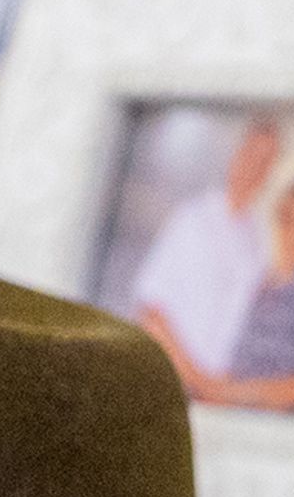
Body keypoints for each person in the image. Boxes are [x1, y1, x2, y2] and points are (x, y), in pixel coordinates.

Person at [118, 113, 283, 386]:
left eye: (266, 160)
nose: (256, 166)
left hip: (218, 396)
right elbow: (150, 308)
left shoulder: (259, 240)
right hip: (167, 380)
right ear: (238, 154)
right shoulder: (192, 218)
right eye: (253, 153)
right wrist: (194, 378)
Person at [205, 177, 294, 414]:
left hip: (274, 416)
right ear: (277, 215)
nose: (292, 228)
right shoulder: (249, 277)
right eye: (287, 216)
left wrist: (239, 394)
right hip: (223, 408)